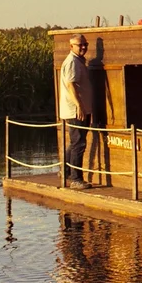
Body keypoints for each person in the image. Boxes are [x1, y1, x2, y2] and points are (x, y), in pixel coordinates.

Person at [58, 34, 97, 190]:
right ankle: (76, 179)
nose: (83, 47)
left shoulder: (79, 61)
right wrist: (79, 106)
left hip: (80, 109)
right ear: (71, 46)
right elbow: (70, 85)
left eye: (85, 44)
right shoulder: (72, 62)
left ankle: (65, 171)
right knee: (79, 144)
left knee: (75, 143)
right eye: (80, 45)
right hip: (76, 110)